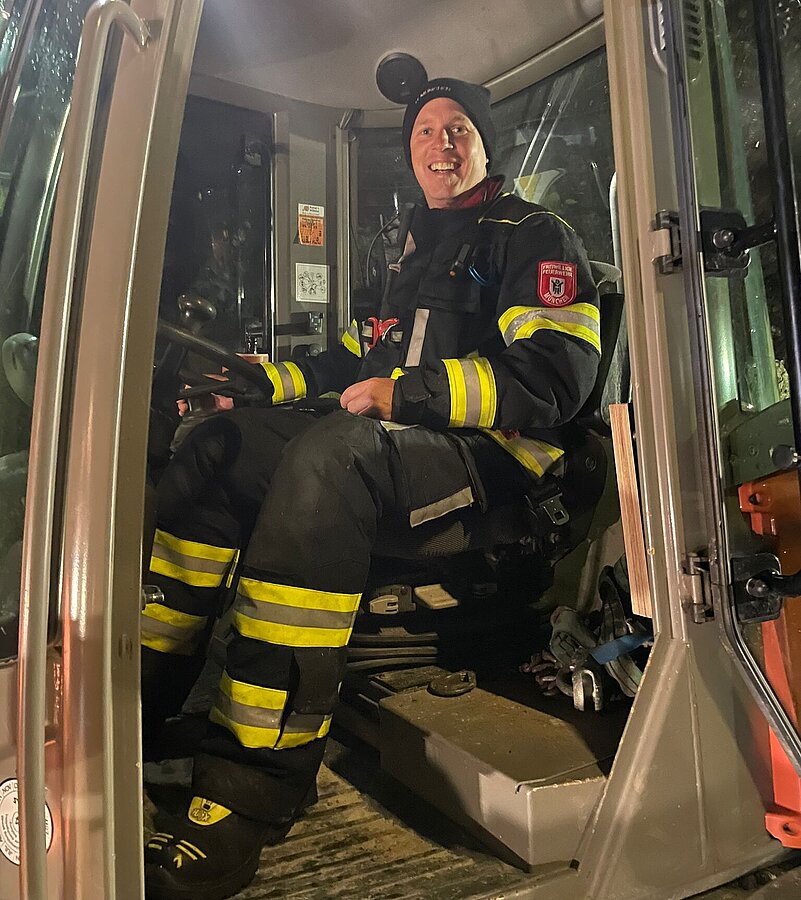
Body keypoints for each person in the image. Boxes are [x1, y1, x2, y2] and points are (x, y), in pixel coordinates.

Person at [143, 77, 601, 900]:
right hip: (408, 441)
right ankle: (142, 702)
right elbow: (357, 359)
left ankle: (251, 791)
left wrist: (409, 396)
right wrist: (261, 384)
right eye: (425, 131)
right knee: (219, 449)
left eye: (457, 129)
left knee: (329, 461)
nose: (440, 144)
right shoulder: (411, 248)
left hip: (500, 466)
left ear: (484, 145)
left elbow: (552, 378)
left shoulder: (534, 235)